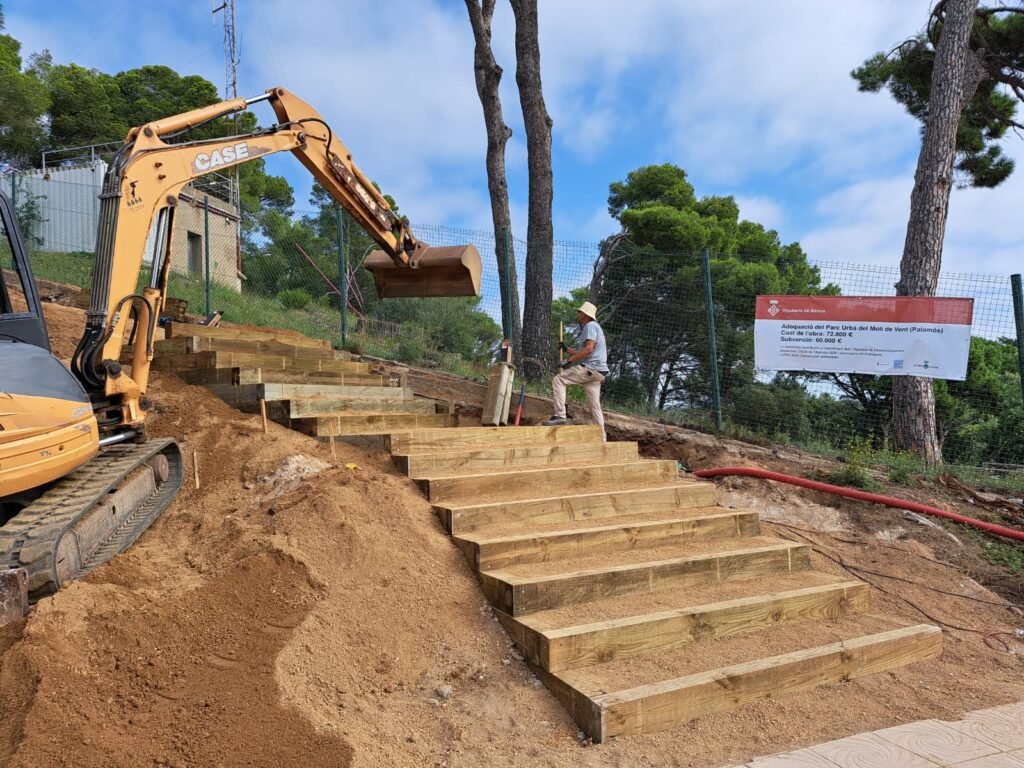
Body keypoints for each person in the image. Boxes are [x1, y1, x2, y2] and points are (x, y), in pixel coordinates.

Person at [543, 301, 609, 439]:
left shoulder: (590, 326)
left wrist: (568, 361)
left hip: (590, 368)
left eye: (580, 312)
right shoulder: (595, 327)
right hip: (598, 373)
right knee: (594, 406)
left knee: (559, 380)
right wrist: (566, 349)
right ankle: (602, 438)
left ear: (585, 314)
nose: (578, 314)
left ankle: (560, 415)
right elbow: (583, 352)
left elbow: (588, 350)